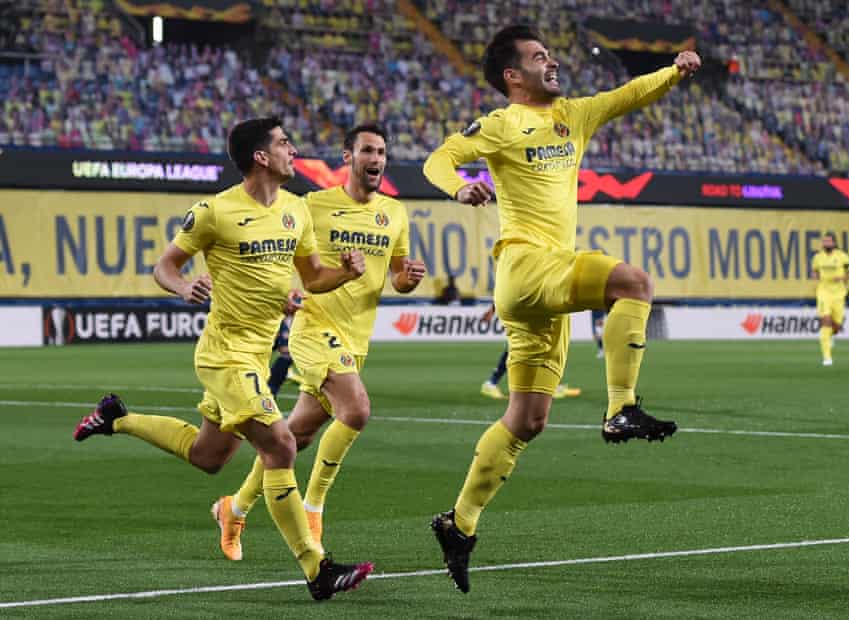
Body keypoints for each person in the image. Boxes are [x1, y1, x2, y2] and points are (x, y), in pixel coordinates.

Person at [423, 25, 700, 592]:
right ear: (513, 76)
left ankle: (459, 522)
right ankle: (621, 407)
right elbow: (441, 158)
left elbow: (628, 95)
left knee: (527, 420)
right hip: (527, 268)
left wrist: (673, 73)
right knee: (634, 283)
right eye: (538, 56)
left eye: (549, 54)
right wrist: (459, 187)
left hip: (541, 294)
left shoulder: (574, 114)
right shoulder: (502, 123)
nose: (550, 62)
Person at [72, 117, 373, 601]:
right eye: (284, 143)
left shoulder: (296, 209)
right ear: (261, 157)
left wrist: (346, 273)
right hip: (225, 355)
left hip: (256, 354)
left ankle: (116, 418)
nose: (293, 150)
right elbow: (164, 266)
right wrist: (183, 287)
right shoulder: (215, 211)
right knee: (281, 446)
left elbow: (313, 276)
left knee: (208, 457)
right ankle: (316, 568)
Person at [210, 123, 426, 560]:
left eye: (382, 152)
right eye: (368, 150)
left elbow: (399, 277)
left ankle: (234, 507)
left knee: (295, 438)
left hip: (356, 338)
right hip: (314, 328)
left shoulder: (395, 213)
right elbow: (281, 252)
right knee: (357, 410)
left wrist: (409, 278)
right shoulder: (313, 206)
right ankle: (313, 510)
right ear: (348, 158)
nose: (377, 159)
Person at [479, 305, 581, 400]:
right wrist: (492, 310)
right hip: (525, 309)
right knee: (520, 347)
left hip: (538, 309)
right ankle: (491, 383)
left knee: (544, 346)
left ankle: (553, 385)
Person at [810, 233, 849, 366]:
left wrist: (842, 278)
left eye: (829, 241)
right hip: (823, 293)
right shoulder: (818, 257)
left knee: (837, 326)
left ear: (834, 243)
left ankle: (830, 335)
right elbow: (814, 271)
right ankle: (827, 357)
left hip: (839, 294)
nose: (826, 243)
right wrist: (815, 276)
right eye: (825, 241)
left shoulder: (842, 256)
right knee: (826, 321)